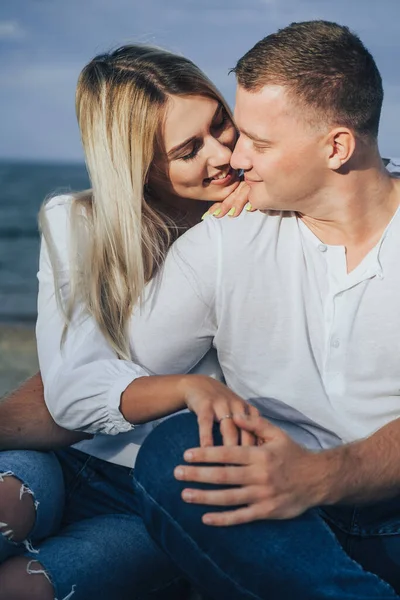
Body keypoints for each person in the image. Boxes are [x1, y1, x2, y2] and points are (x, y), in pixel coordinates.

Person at [119, 20, 400, 599]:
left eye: (259, 143)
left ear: (337, 147)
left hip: (388, 511)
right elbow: (112, 372)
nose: (234, 158)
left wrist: (319, 478)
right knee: (176, 452)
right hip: (277, 523)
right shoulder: (225, 239)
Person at [0, 44, 258, 600]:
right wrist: (187, 388)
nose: (223, 153)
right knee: (4, 510)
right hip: (65, 458)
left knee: (23, 588)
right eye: (190, 148)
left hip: (162, 491)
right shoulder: (78, 222)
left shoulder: (255, 219)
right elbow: (71, 391)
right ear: (140, 167)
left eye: (222, 125)